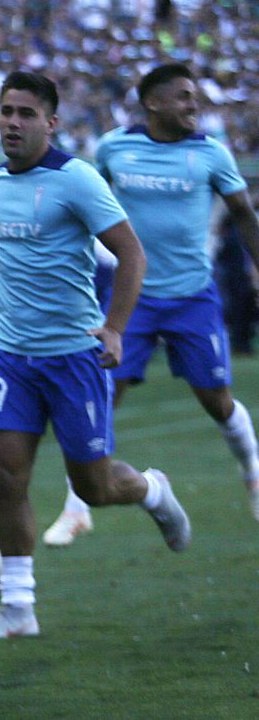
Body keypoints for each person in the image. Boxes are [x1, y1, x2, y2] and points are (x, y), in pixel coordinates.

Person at [0, 71, 191, 642]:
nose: (12, 122)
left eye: (26, 113)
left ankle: (152, 490)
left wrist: (116, 329)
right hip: (12, 356)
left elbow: (131, 254)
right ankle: (18, 607)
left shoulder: (77, 180)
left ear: (51, 123)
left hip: (74, 356)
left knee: (93, 489)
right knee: (7, 474)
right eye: (6, 111)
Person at [43, 62, 259, 543]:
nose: (193, 105)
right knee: (102, 395)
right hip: (131, 297)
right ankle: (77, 507)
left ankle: (252, 470)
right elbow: (81, 200)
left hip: (192, 295)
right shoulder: (114, 148)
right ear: (153, 103)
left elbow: (244, 215)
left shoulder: (211, 153)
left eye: (194, 96)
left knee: (217, 400)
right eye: (183, 96)